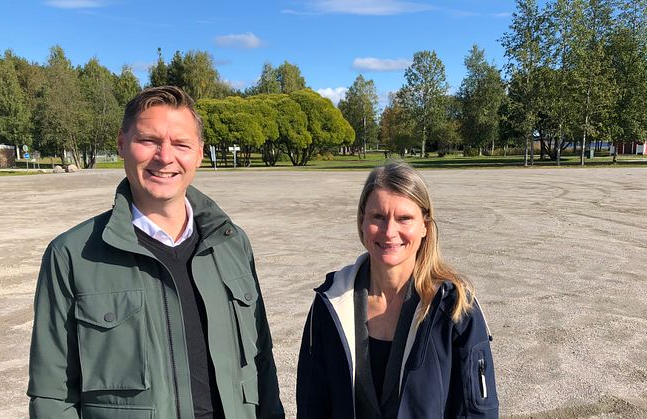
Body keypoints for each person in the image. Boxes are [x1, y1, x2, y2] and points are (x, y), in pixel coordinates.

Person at [27, 86, 284, 419]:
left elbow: (262, 361)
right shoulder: (72, 256)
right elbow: (52, 395)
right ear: (122, 144)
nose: (165, 157)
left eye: (181, 144)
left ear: (200, 153)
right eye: (148, 141)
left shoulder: (232, 244)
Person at [296, 161, 498, 419]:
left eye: (405, 218)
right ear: (361, 221)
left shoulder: (456, 307)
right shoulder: (331, 302)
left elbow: (476, 412)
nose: (390, 231)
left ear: (425, 225)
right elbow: (312, 405)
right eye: (378, 217)